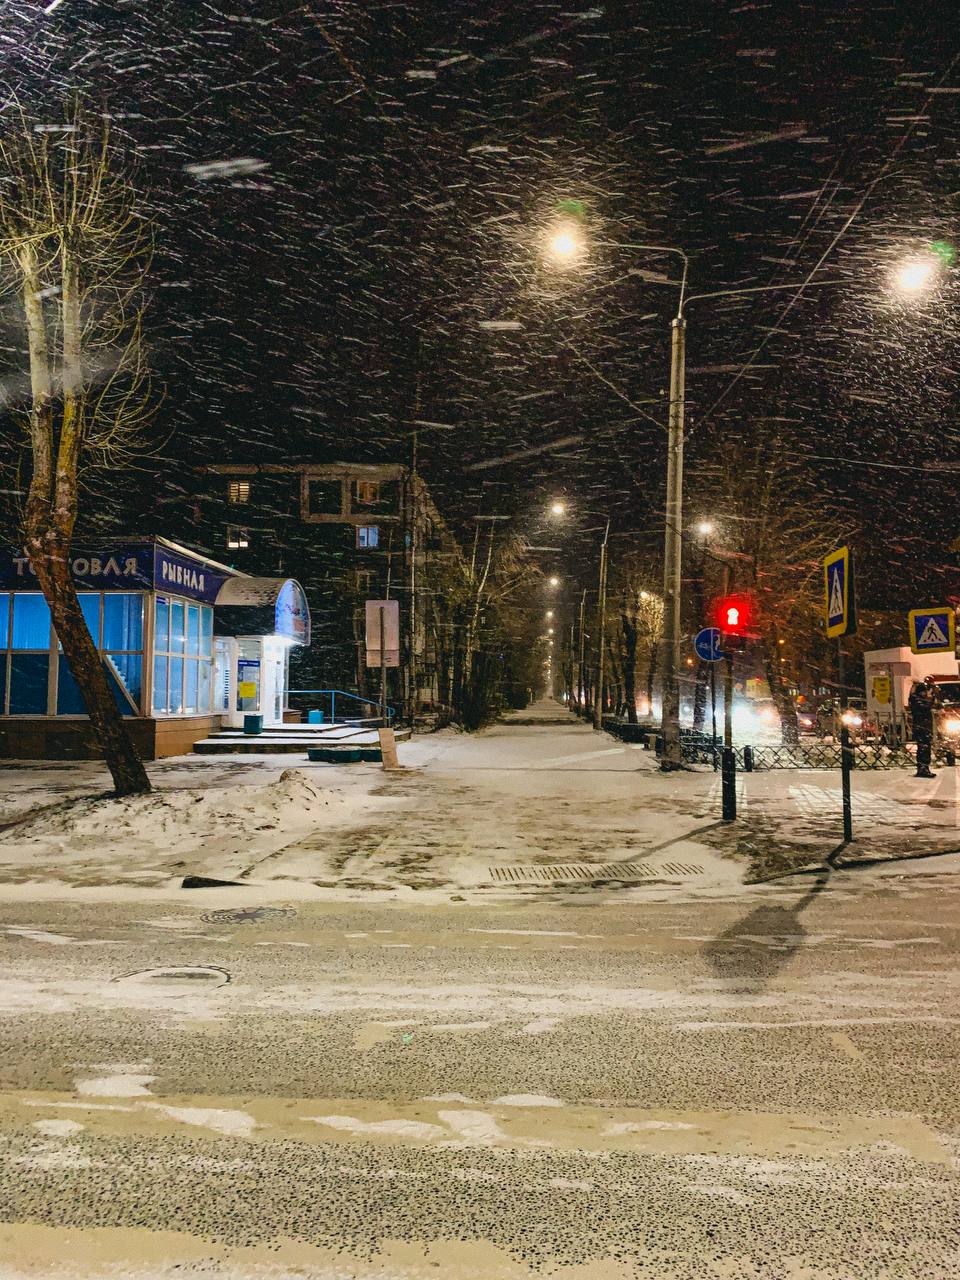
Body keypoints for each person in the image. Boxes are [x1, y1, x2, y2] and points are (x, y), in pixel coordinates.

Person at [908, 676, 942, 778]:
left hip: (924, 727)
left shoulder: (918, 699)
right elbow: (925, 706)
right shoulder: (916, 699)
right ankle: (922, 768)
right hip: (921, 727)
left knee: (925, 748)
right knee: (923, 748)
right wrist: (932, 697)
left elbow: (933, 705)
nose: (925, 694)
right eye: (924, 692)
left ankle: (924, 767)